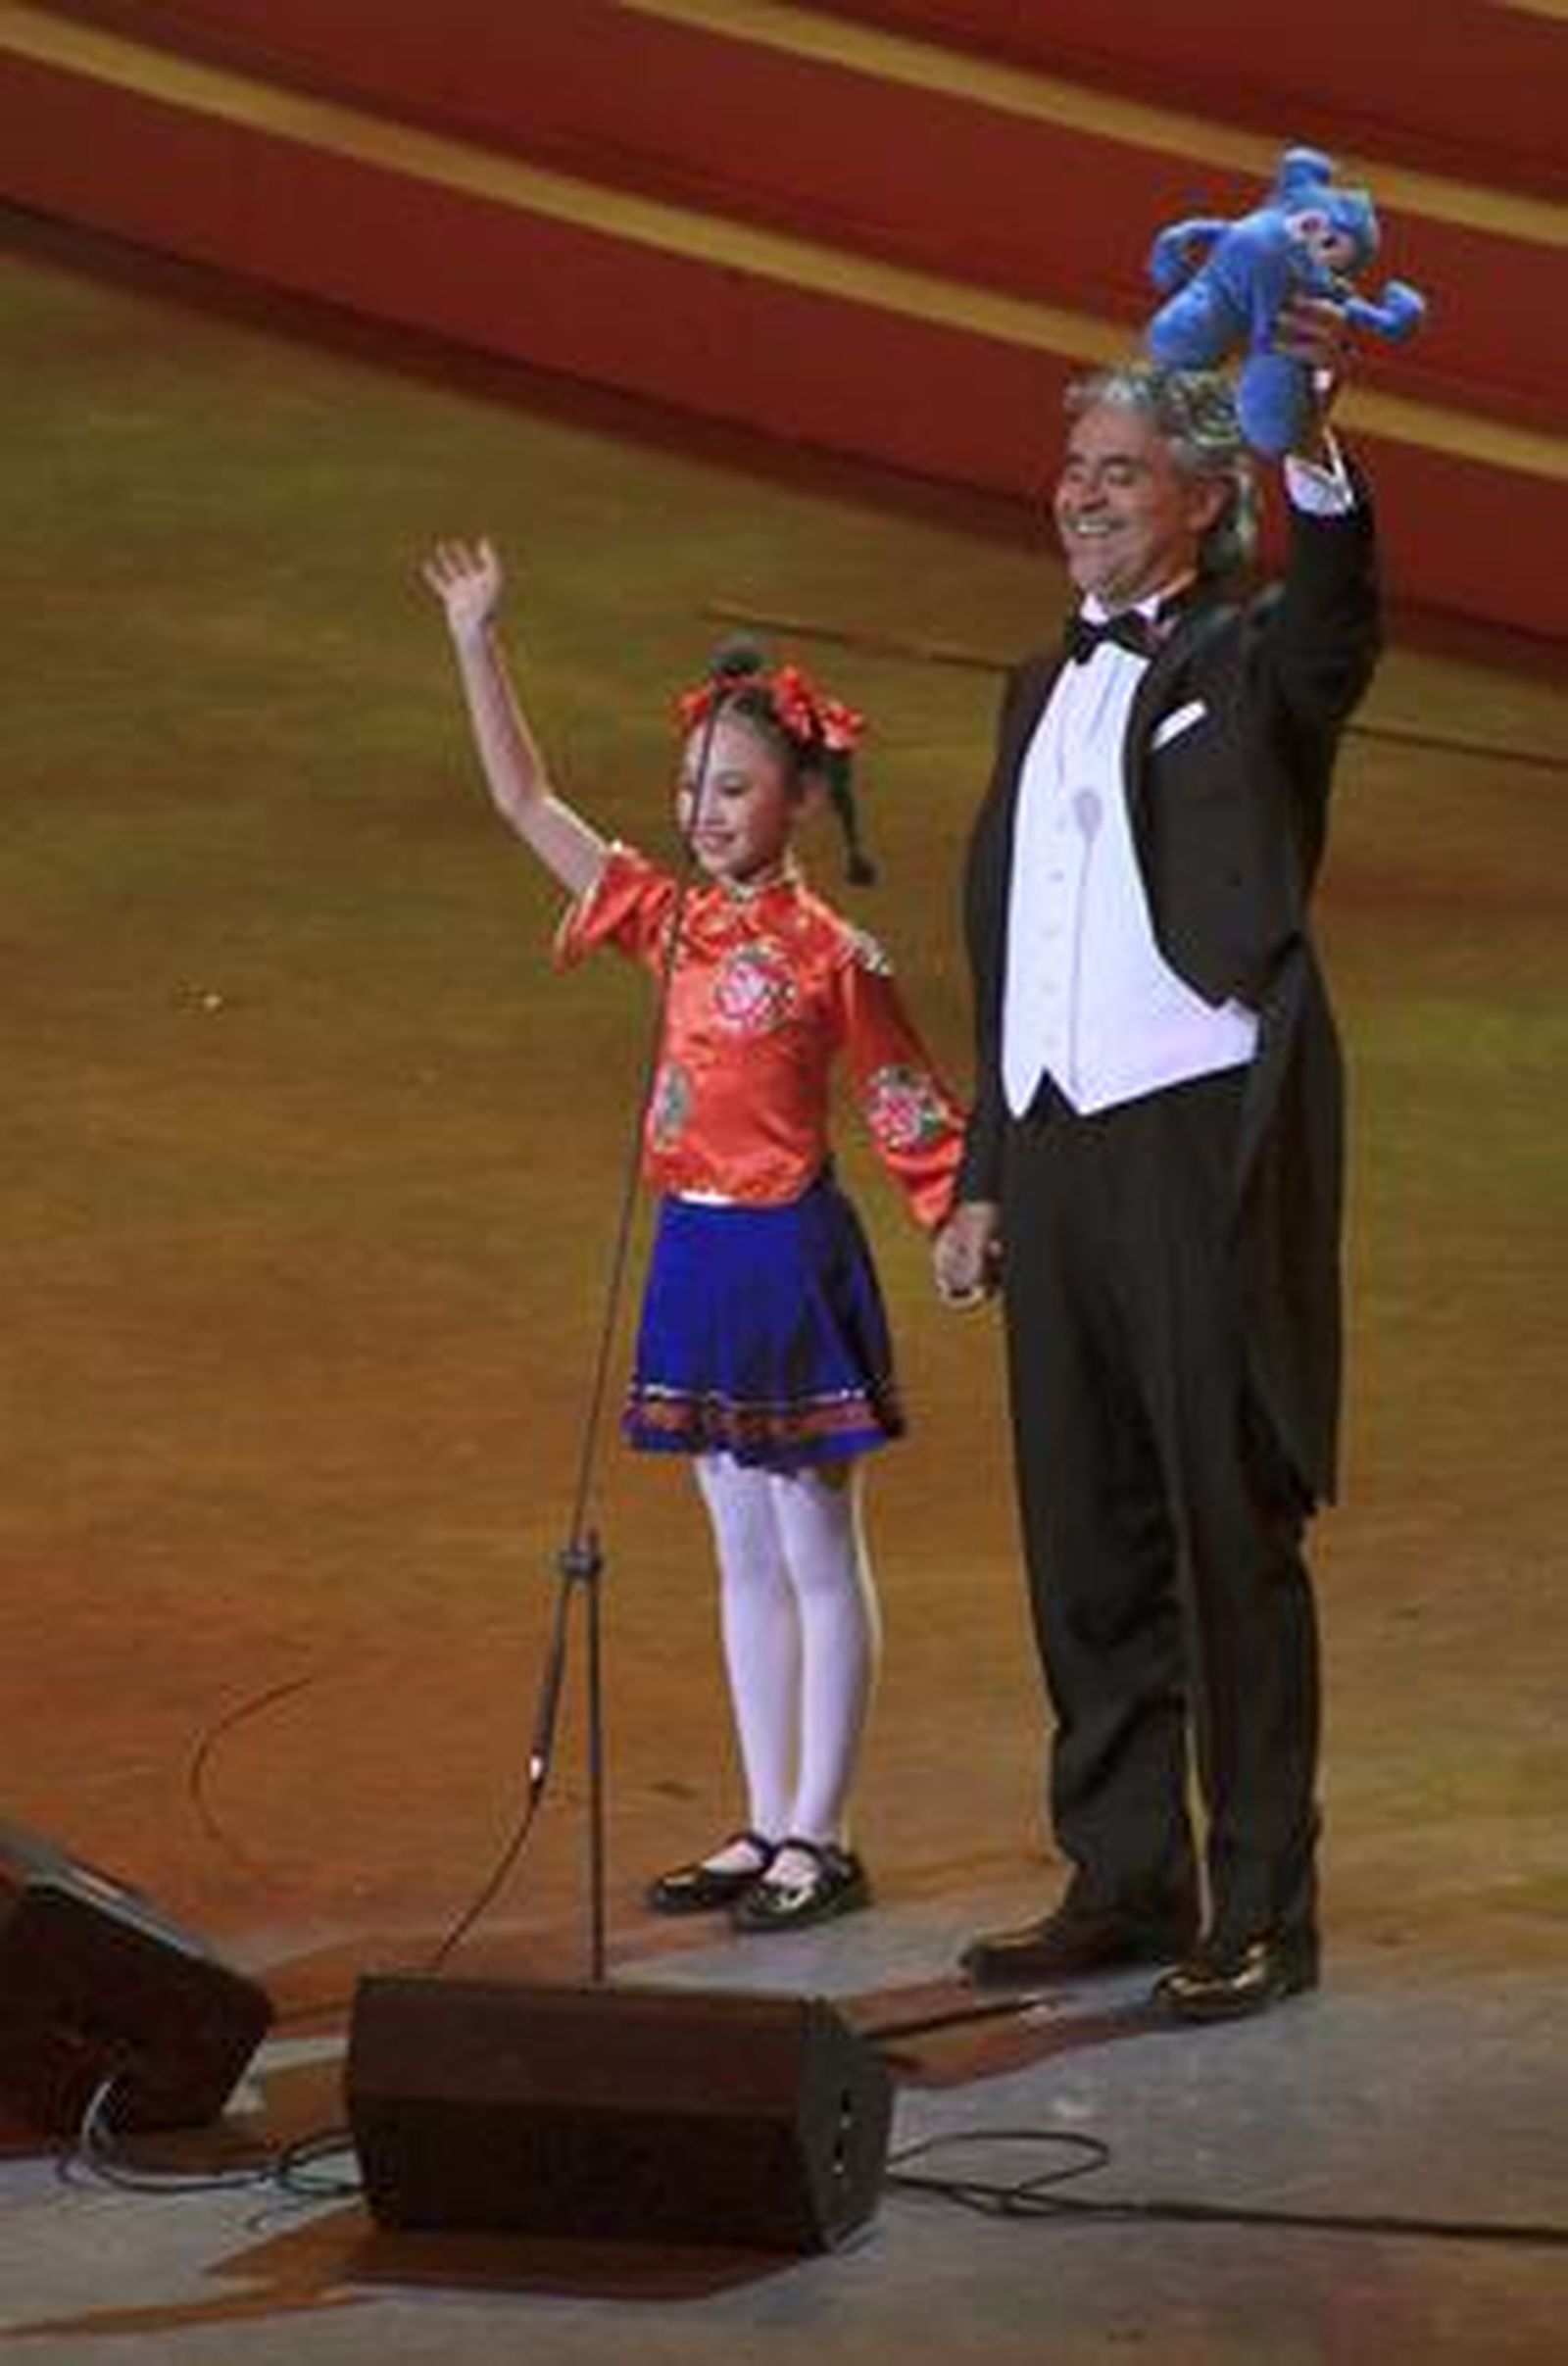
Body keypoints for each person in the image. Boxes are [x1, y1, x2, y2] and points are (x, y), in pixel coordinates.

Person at [935, 309, 1380, 2019]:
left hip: (1198, 1138)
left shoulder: (1260, 659)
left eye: (1121, 472)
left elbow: (1342, 624)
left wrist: (1316, 450)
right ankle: (1123, 1875)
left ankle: (1264, 1900)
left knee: (1223, 1523)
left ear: (1204, 496)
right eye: (1073, 470)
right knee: (1086, 1535)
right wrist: (985, 1169)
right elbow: (1018, 945)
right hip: (1054, 1150)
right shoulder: (1039, 684)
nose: (1082, 497)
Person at [423, 538, 964, 1933]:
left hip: (789, 1256)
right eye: (693, 788)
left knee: (813, 1540)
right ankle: (763, 1811)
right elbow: (520, 796)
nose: (702, 810)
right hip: (696, 1250)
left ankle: (822, 1832)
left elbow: (906, 1101)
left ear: (797, 797)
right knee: (736, 1544)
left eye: (733, 788)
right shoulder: (661, 923)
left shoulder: (833, 956)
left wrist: (956, 1214)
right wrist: (478, 639)